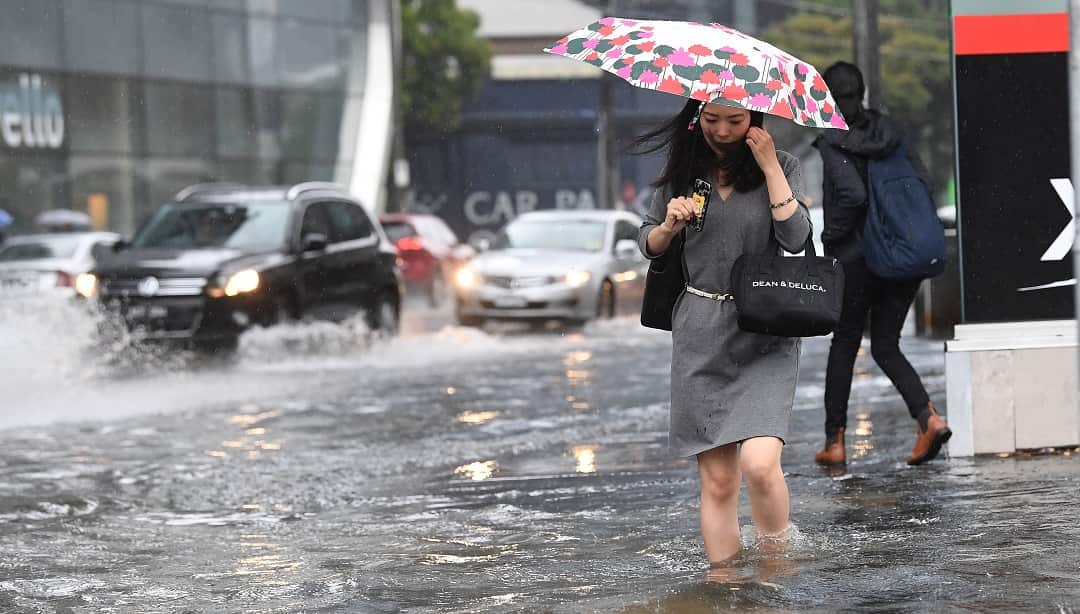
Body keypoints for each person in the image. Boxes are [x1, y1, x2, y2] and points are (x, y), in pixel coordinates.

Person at [636, 100, 811, 571]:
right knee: (717, 484)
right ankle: (725, 587)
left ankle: (776, 565)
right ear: (698, 117)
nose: (722, 131)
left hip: (764, 329)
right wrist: (669, 227)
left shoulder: (784, 166)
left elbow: (796, 238)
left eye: (735, 121)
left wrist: (770, 164)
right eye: (712, 120)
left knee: (759, 465)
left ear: (755, 118)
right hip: (700, 331)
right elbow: (647, 241)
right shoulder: (683, 172)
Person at [812, 61, 951, 467]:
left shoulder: (834, 139)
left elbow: (852, 197)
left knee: (845, 344)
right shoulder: (890, 133)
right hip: (902, 254)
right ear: (864, 89)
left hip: (857, 259)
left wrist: (830, 239)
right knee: (887, 345)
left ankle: (834, 441)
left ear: (827, 94)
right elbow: (921, 183)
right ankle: (928, 418)